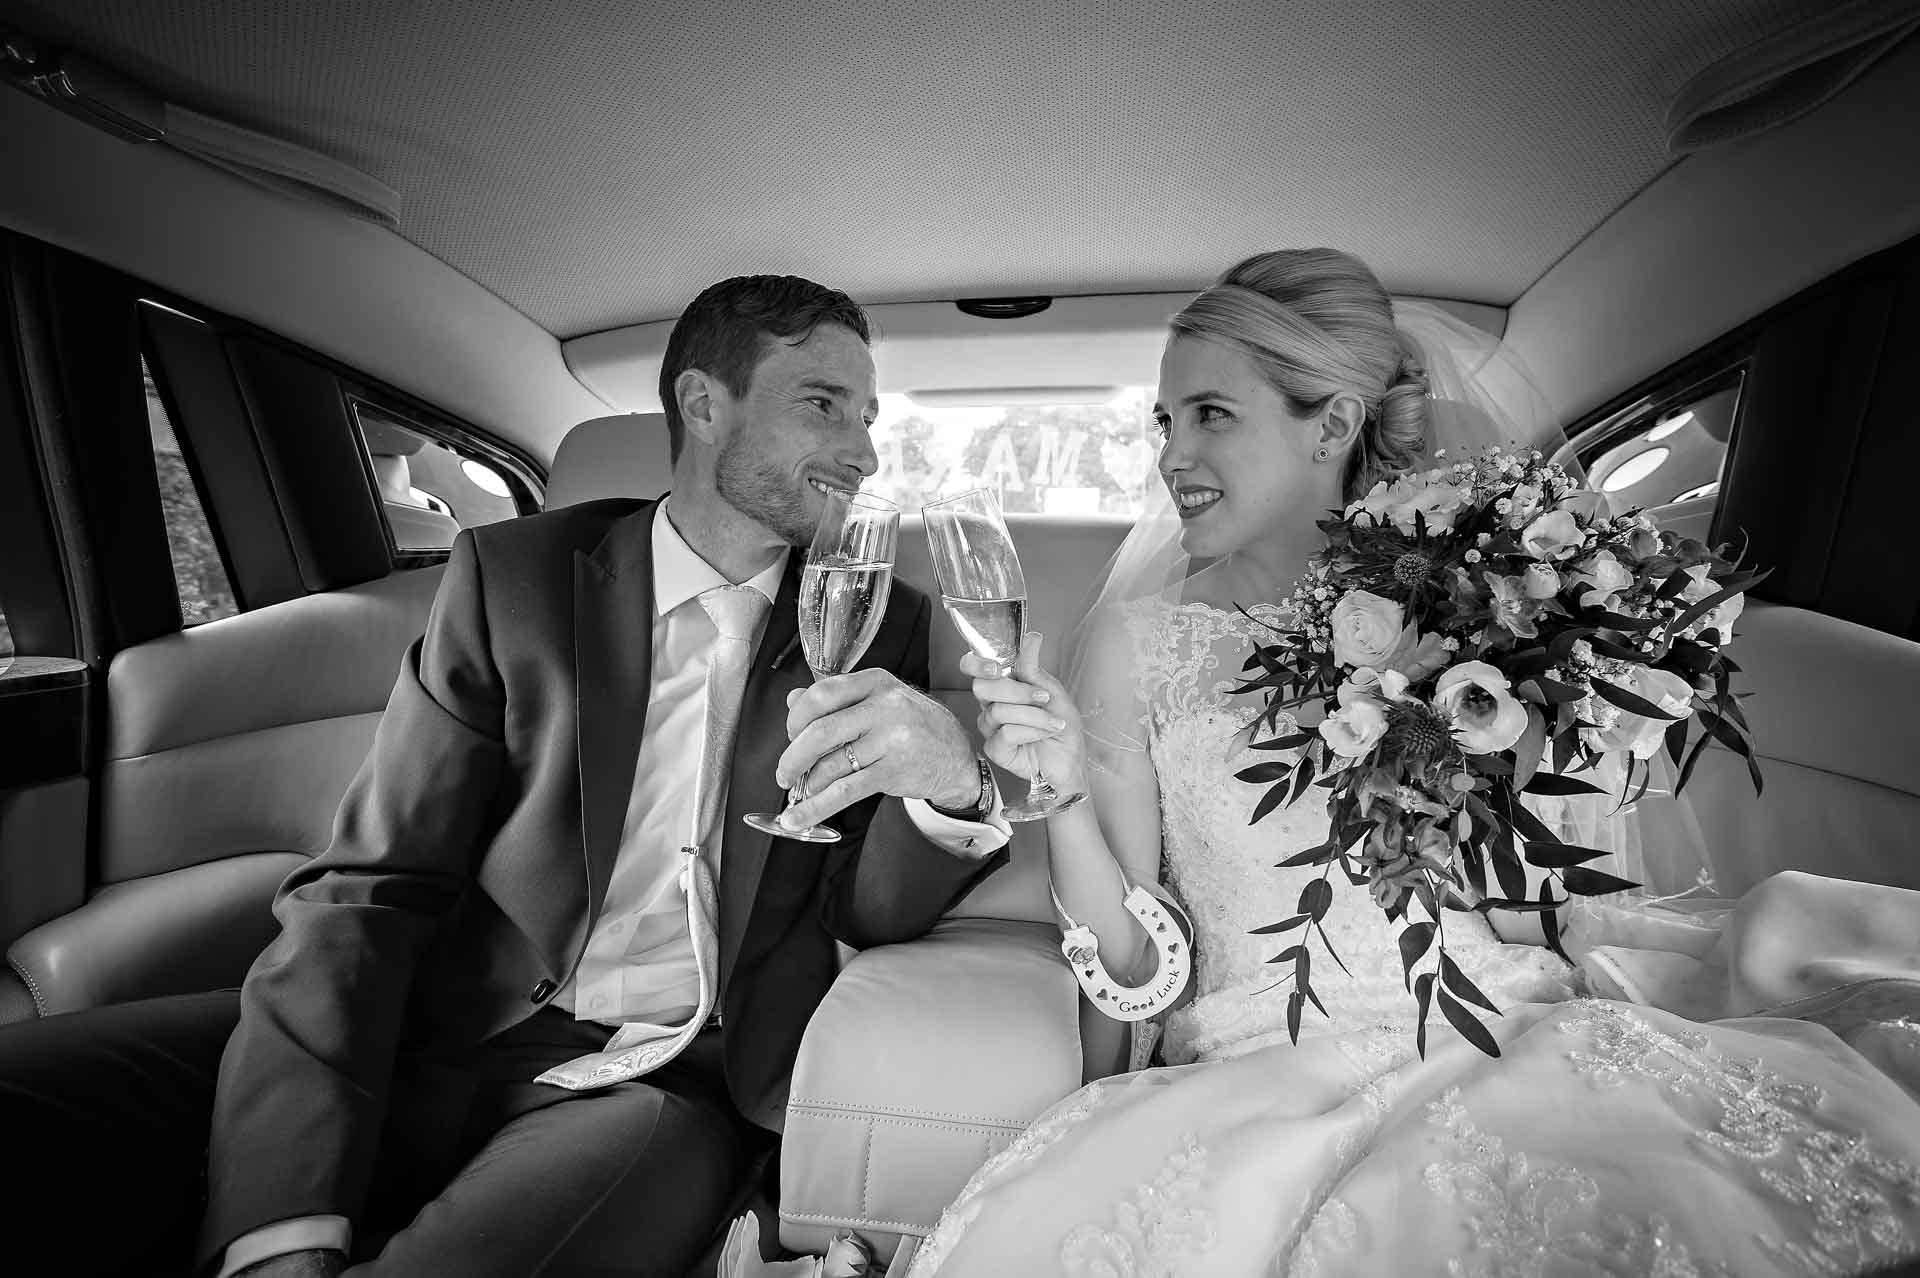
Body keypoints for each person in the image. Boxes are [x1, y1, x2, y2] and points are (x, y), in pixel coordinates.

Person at [909, 249, 1920, 1276]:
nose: (1175, 455)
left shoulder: (1491, 608)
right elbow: (1138, 969)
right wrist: (1065, 796)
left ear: (1335, 425)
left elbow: (1539, 907)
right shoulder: (1141, 647)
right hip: (1269, 1068)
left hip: (1510, 1036)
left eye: (1212, 413)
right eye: (1165, 423)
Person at [0, 275, 1011, 1278]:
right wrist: (284, 1221)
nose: (864, 450)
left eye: (869, 416)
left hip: (659, 1082)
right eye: (824, 405)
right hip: (426, 1026)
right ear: (705, 405)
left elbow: (870, 913)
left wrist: (953, 786)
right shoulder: (514, 580)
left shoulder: (883, 620)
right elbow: (370, 887)